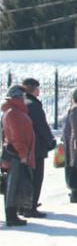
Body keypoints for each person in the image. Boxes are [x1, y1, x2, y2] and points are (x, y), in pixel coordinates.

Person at [21, 78, 56, 218]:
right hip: (36, 147)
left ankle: (23, 205)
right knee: (36, 177)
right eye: (37, 88)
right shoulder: (34, 105)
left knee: (25, 177)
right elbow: (42, 126)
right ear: (34, 89)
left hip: (25, 146)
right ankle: (31, 206)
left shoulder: (21, 102)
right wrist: (50, 141)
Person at [1, 85, 35, 227]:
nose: (25, 98)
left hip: (15, 153)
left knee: (14, 184)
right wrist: (22, 154)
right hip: (15, 154)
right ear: (18, 96)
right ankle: (11, 216)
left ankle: (13, 214)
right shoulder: (13, 113)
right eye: (23, 95)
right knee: (12, 185)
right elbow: (16, 137)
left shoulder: (15, 111)